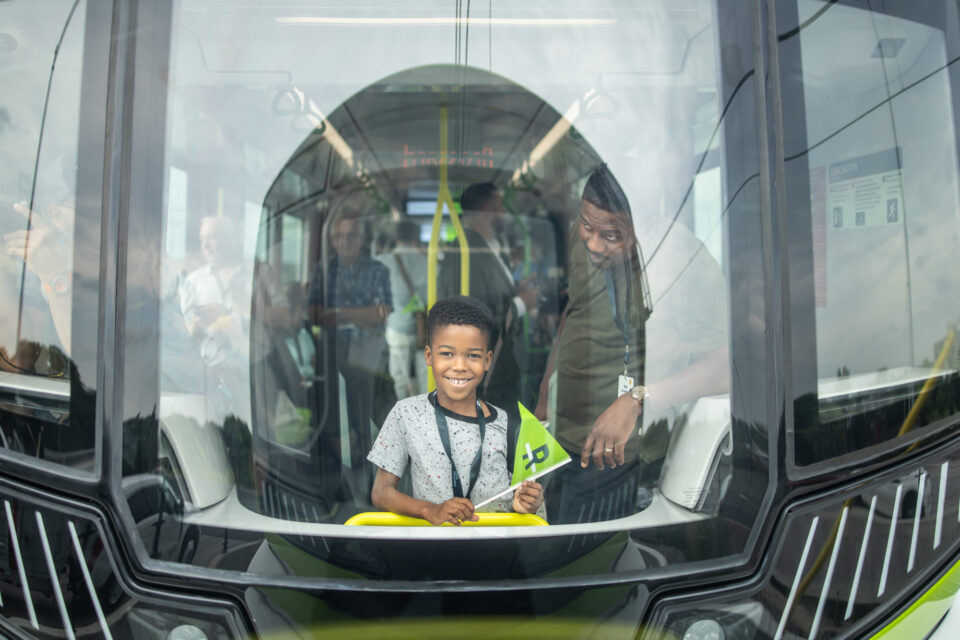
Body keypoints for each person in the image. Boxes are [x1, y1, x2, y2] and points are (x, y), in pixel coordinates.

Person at [535, 166, 650, 524]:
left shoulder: (673, 258)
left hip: (610, 453)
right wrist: (544, 395)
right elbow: (574, 308)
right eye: (587, 226)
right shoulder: (581, 235)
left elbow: (722, 366)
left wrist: (637, 398)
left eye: (612, 235)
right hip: (560, 436)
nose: (594, 244)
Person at [367, 295, 544, 525]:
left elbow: (524, 501)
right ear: (429, 356)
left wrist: (526, 504)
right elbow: (381, 492)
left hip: (496, 550)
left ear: (487, 361)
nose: (459, 366)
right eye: (447, 353)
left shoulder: (508, 425)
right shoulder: (407, 414)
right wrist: (430, 510)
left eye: (473, 355)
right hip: (433, 551)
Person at [308, 197, 392, 496]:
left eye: (352, 235)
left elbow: (381, 312)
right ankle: (338, 483)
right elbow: (314, 313)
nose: (346, 241)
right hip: (331, 354)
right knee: (332, 418)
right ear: (332, 239)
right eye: (340, 236)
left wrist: (341, 314)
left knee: (366, 416)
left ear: (363, 238)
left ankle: (374, 485)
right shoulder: (322, 270)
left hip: (368, 354)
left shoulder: (379, 270)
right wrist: (361, 315)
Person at [439, 183, 539, 410]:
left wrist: (515, 291)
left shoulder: (482, 248)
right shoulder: (467, 253)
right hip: (487, 379)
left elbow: (488, 298)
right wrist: (522, 302)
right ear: (487, 209)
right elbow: (474, 318)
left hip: (499, 369)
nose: (505, 213)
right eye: (500, 207)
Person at [377, 219, 429, 399]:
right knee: (425, 379)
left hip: (396, 326)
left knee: (399, 380)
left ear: (395, 237)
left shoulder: (382, 261)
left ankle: (401, 418)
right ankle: (426, 420)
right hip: (425, 328)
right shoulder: (429, 262)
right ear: (416, 237)